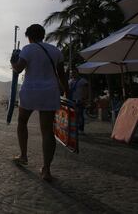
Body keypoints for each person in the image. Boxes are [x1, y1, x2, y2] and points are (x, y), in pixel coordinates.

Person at [10, 24, 68, 182]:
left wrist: (13, 61)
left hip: (30, 91)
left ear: (29, 36)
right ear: (43, 35)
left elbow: (18, 69)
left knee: (22, 122)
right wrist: (67, 91)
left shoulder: (28, 49)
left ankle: (23, 156)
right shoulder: (55, 51)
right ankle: (46, 170)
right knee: (47, 131)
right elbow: (62, 75)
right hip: (50, 92)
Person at [68, 68, 88, 133]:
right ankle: (73, 128)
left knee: (80, 115)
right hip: (71, 100)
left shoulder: (82, 81)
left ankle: (81, 129)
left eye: (74, 72)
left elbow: (86, 90)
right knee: (72, 115)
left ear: (77, 72)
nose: (72, 74)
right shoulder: (70, 81)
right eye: (71, 73)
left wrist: (84, 99)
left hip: (79, 100)